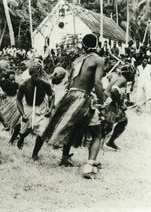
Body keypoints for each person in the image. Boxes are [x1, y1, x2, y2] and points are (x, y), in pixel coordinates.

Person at [39, 34, 105, 179]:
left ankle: (64, 158)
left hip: (70, 95)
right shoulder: (99, 60)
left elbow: (71, 81)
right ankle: (89, 166)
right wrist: (102, 101)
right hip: (83, 96)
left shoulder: (77, 60)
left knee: (70, 126)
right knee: (97, 134)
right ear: (97, 44)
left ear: (83, 45)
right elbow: (98, 83)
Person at [16, 62, 54, 158]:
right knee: (25, 130)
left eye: (39, 75)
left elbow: (52, 95)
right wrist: (23, 114)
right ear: (30, 74)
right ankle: (21, 138)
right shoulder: (24, 85)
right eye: (35, 76)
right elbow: (18, 100)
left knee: (42, 132)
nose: (37, 78)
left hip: (41, 107)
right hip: (28, 106)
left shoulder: (45, 84)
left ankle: (35, 154)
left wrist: (50, 108)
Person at [102, 65, 133, 150]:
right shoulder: (123, 79)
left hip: (106, 100)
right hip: (110, 102)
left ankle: (100, 141)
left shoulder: (117, 76)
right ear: (127, 73)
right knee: (122, 121)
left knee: (109, 123)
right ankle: (109, 141)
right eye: (131, 73)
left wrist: (124, 102)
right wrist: (120, 104)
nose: (132, 75)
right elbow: (113, 90)